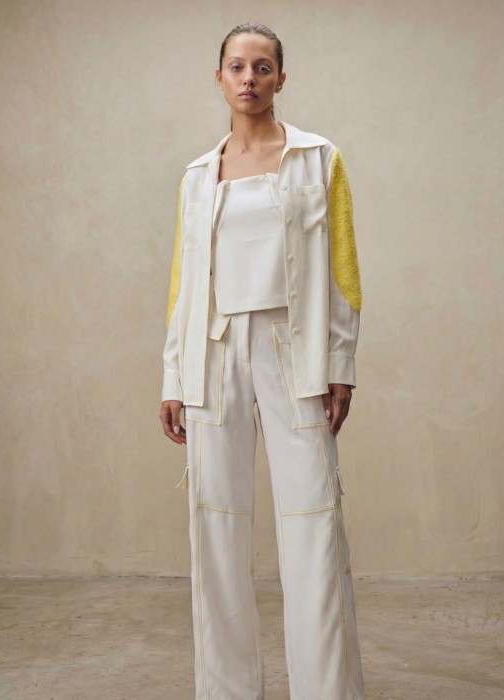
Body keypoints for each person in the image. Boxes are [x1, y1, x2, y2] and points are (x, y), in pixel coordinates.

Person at [159, 21, 366, 700]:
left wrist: (340, 361)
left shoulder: (319, 158)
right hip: (212, 355)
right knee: (214, 525)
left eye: (263, 67)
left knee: (313, 521)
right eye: (237, 66)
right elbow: (184, 284)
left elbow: (343, 268)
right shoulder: (197, 176)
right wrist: (173, 375)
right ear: (219, 77)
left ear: (281, 78)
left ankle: (326, 690)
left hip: (293, 351)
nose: (249, 78)